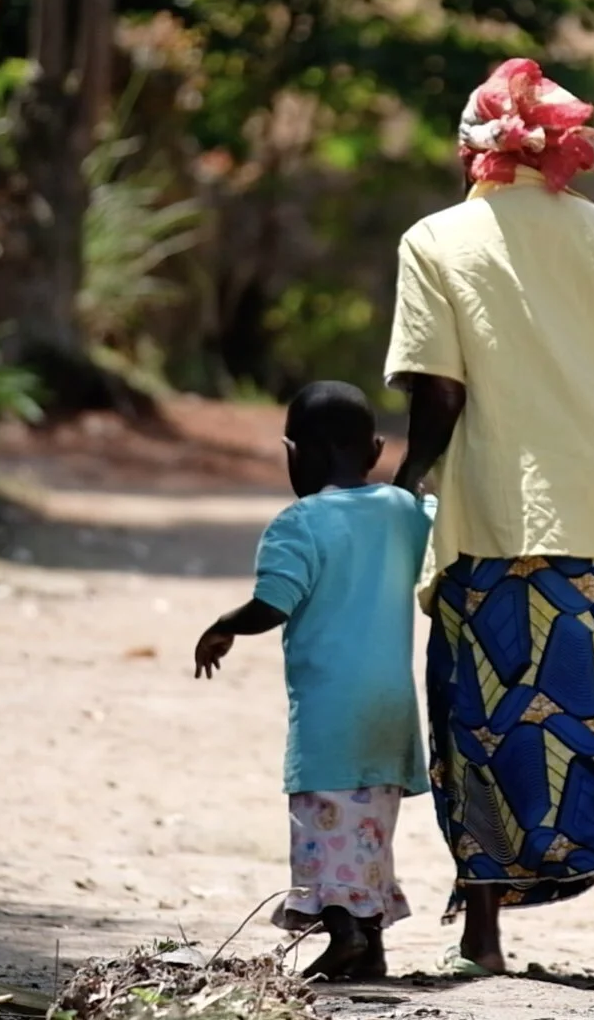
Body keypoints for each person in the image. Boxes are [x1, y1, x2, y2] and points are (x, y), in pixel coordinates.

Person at [384, 57, 594, 981]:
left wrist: (406, 479)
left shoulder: (435, 242)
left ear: (473, 150)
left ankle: (484, 933)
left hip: (502, 526)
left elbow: (439, 391)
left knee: (486, 722)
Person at [192, 381, 433, 981]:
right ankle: (371, 946)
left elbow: (272, 604)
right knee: (369, 827)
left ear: (294, 452)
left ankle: (345, 931)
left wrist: (223, 626)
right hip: (393, 711)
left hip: (330, 715)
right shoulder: (405, 512)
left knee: (325, 826)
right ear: (373, 450)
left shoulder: (298, 524)